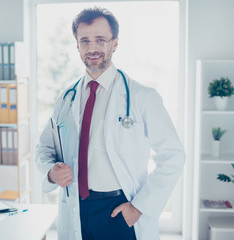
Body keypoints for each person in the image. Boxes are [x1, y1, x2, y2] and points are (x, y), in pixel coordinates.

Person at [36, 7, 185, 240]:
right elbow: (44, 148)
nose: (92, 48)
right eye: (84, 40)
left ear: (114, 43)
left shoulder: (142, 97)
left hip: (121, 210)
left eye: (100, 40)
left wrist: (140, 207)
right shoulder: (67, 98)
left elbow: (173, 155)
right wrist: (51, 173)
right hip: (77, 206)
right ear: (77, 46)